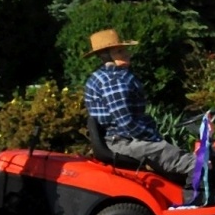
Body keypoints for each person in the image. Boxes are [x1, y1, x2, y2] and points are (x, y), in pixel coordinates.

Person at [83, 28, 196, 179]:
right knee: (193, 162)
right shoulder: (114, 82)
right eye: (120, 52)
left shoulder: (102, 76)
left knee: (173, 156)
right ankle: (198, 197)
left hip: (120, 139)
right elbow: (127, 123)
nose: (127, 54)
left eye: (124, 50)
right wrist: (154, 137)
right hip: (123, 142)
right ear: (106, 56)